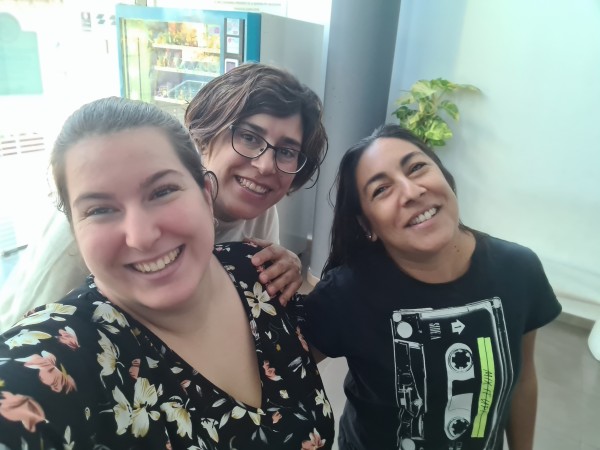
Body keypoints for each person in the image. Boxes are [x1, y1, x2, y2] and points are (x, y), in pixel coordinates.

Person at [0, 97, 334, 449]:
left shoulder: (254, 269)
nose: (141, 237)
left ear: (205, 194)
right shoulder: (64, 351)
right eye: (99, 210)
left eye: (162, 191)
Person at [0, 63, 327, 331]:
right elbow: (19, 334)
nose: (265, 165)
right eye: (249, 137)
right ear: (206, 133)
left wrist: (284, 267)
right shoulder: (87, 227)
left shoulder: (260, 213)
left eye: (287, 151)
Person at [294, 124, 562, 450]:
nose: (411, 192)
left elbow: (522, 378)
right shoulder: (345, 293)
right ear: (367, 226)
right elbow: (278, 375)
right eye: (381, 189)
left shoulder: (518, 270)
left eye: (417, 167)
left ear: (445, 178)